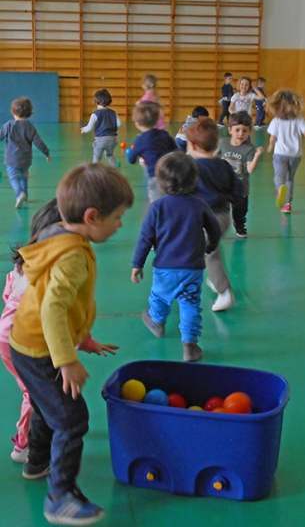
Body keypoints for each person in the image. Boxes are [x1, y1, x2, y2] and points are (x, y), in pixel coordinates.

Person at [9, 164, 133, 525]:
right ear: (92, 217)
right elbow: (53, 307)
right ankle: (59, 497)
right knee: (72, 419)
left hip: (26, 343)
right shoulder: (73, 255)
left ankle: (37, 463)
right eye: (118, 218)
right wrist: (66, 359)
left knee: (49, 408)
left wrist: (83, 339)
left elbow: (58, 302)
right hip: (40, 350)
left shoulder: (57, 231)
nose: (121, 225)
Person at [0, 198, 118, 466]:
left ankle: (46, 431)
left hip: (19, 337)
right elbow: (54, 315)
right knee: (35, 392)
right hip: (18, 343)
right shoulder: (49, 272)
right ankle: (24, 445)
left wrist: (85, 341)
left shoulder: (28, 262)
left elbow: (13, 298)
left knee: (44, 390)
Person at [131, 151, 221, 361]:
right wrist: (210, 246)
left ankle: (156, 322)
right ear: (194, 179)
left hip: (165, 267)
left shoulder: (157, 207)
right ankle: (190, 346)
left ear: (161, 183)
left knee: (159, 296)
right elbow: (214, 229)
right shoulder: (199, 205)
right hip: (193, 267)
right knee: (190, 303)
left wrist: (137, 264)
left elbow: (146, 237)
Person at [187, 118, 242, 311]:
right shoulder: (224, 165)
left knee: (210, 254)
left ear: (192, 145)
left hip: (206, 220)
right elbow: (238, 190)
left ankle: (224, 291)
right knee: (212, 250)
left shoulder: (192, 168)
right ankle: (214, 278)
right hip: (224, 217)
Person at [267, 90, 305, 213]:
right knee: (290, 179)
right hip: (295, 155)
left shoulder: (276, 121)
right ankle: (287, 204)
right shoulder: (299, 120)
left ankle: (280, 189)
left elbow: (273, 137)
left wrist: (270, 146)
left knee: (278, 176)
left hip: (280, 154)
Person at [219, 111, 263, 237]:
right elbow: (214, 158)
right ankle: (215, 227)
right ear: (230, 130)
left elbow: (249, 170)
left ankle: (239, 226)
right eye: (237, 130)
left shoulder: (249, 149)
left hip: (240, 187)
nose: (240, 134)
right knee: (219, 209)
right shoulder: (223, 143)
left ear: (249, 132)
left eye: (244, 131)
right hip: (223, 186)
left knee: (240, 211)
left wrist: (257, 156)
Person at [0, 97, 50, 208]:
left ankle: (19, 194)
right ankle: (25, 195)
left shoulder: (8, 125)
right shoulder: (29, 126)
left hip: (11, 159)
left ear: (13, 112)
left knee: (13, 177)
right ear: (29, 113)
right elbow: (38, 142)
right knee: (24, 176)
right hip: (26, 160)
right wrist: (46, 153)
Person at [126, 101, 176, 202]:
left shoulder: (140, 140)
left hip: (155, 176)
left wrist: (132, 150)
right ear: (157, 119)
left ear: (137, 123)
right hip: (171, 174)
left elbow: (131, 159)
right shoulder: (164, 134)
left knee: (156, 203)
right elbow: (175, 150)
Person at [81, 88, 121, 166]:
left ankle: (94, 172)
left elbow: (89, 128)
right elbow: (119, 124)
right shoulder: (113, 113)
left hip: (100, 140)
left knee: (96, 158)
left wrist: (83, 129)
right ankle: (114, 168)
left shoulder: (95, 114)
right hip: (113, 139)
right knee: (110, 155)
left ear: (96, 101)